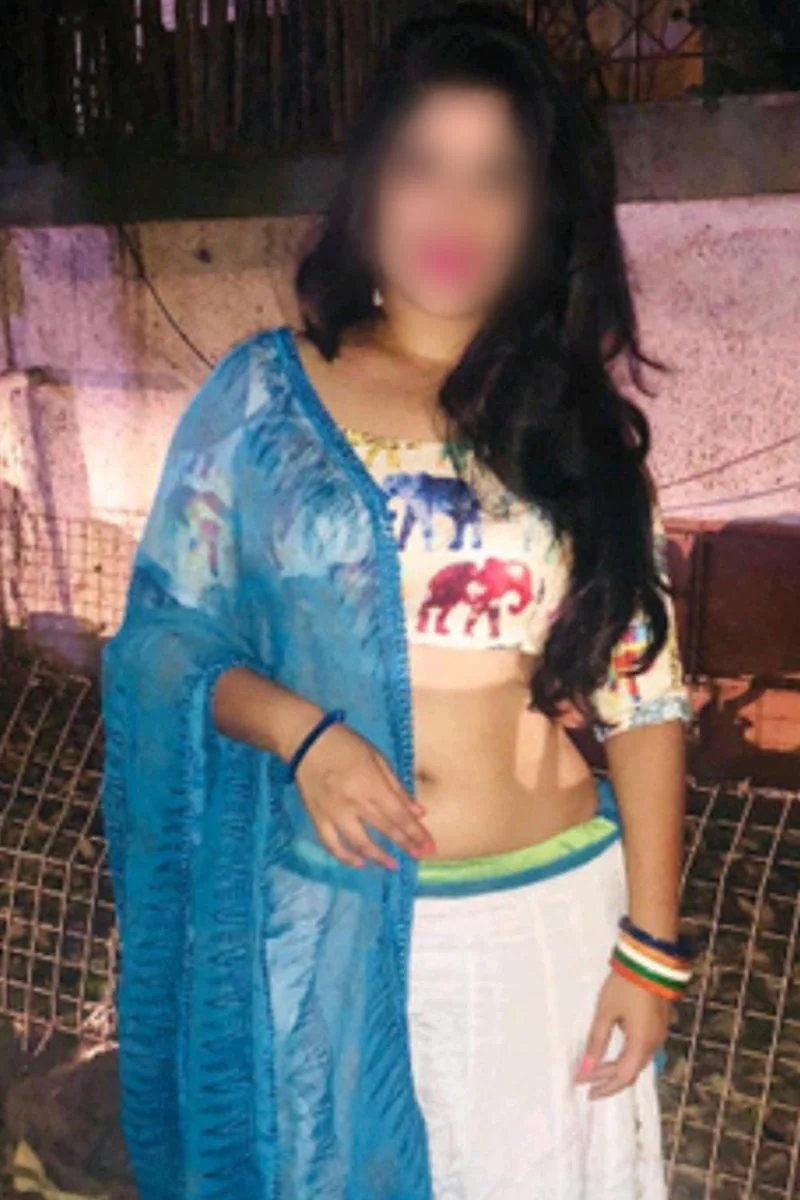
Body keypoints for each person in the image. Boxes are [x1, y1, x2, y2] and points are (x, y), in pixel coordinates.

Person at [101, 4, 694, 1198]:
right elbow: (163, 643)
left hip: (546, 923)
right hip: (332, 926)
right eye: (423, 165)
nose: (453, 211)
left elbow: (643, 694)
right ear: (369, 184)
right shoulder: (264, 403)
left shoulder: (568, 427)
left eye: (495, 177)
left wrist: (650, 947)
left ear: (538, 211)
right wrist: (302, 735)